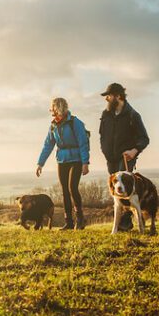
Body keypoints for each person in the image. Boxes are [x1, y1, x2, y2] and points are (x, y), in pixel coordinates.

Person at [99, 83, 150, 231]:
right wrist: (104, 150)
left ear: (118, 96)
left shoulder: (133, 115)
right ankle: (124, 223)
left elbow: (144, 138)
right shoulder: (105, 115)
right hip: (110, 158)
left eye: (108, 96)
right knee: (116, 191)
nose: (107, 99)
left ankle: (126, 224)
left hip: (126, 158)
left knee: (126, 190)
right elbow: (102, 135)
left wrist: (134, 151)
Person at [36, 97, 90, 230]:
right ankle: (69, 222)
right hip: (62, 160)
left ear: (59, 108)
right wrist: (40, 163)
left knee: (72, 188)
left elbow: (83, 143)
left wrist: (85, 162)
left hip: (76, 160)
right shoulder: (53, 125)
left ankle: (80, 219)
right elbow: (48, 145)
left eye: (53, 108)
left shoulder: (75, 123)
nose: (51, 111)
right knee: (65, 191)